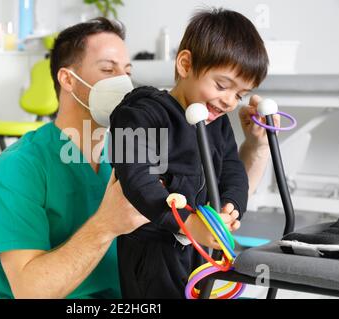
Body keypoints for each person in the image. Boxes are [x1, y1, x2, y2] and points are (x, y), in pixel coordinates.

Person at [0, 17, 279, 299]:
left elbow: (216, 194)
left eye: (128, 70)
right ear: (67, 80)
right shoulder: (18, 167)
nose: (123, 81)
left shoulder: (140, 143)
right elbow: (31, 292)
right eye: (108, 70)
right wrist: (106, 224)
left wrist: (258, 146)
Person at [109, 8, 269, 298]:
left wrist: (232, 206)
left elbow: (232, 169)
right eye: (222, 86)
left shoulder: (216, 125)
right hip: (152, 251)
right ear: (185, 64)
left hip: (198, 249)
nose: (230, 101)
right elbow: (137, 178)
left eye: (240, 94)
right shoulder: (141, 113)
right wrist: (187, 223)